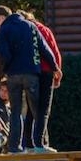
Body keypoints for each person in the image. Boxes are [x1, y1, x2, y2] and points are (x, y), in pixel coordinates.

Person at [0, 7, 61, 154]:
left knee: (15, 111)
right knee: (37, 109)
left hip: (13, 74)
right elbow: (44, 48)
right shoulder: (30, 26)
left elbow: (3, 54)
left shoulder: (3, 29)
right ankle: (40, 144)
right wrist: (55, 67)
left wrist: (6, 69)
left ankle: (14, 147)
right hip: (31, 73)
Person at [20, 11, 63, 153]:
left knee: (31, 109)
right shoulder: (43, 29)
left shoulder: (21, 32)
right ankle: (39, 143)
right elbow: (53, 51)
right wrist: (57, 73)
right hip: (45, 71)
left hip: (29, 72)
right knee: (43, 109)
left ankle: (28, 144)